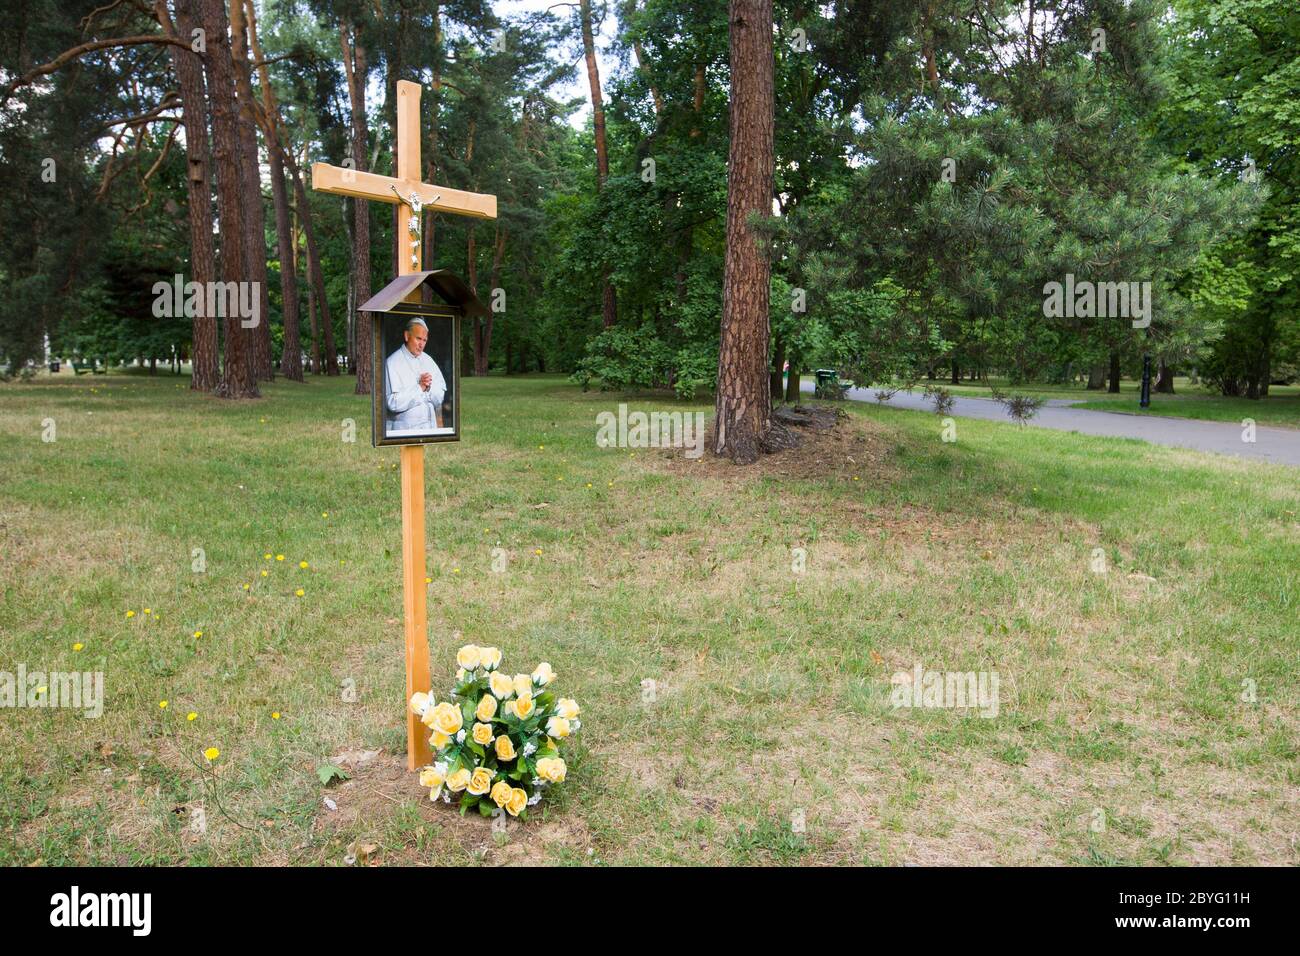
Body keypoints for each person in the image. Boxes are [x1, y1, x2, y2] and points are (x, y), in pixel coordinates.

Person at [385, 317, 447, 433]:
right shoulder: (392, 362)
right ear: (407, 336)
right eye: (418, 338)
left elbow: (440, 396)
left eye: (424, 340)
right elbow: (393, 403)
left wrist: (427, 389)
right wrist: (419, 388)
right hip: (404, 432)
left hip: (430, 430)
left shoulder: (429, 360)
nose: (421, 344)